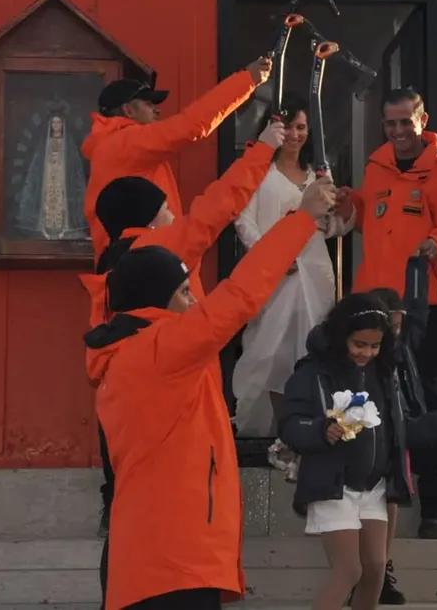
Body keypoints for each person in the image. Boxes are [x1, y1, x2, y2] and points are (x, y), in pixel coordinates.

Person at [86, 177, 337, 610]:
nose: (194, 303)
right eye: (184, 293)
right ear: (155, 301)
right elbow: (239, 295)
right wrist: (301, 219)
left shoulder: (131, 353)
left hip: (158, 556)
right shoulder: (161, 349)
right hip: (172, 561)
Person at [80, 117, 284, 592]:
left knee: (127, 505)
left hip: (121, 408)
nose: (176, 214)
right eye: (167, 208)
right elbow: (222, 203)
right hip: (176, 400)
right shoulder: (162, 249)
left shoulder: (109, 265)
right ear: (152, 217)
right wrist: (264, 149)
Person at [338, 87, 437, 539]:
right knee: (366, 395)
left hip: (426, 305)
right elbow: (367, 217)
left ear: (423, 119)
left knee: (428, 401)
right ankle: (363, 494)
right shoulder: (376, 168)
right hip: (375, 304)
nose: (398, 132)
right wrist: (348, 204)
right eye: (391, 123)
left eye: (406, 122)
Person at [278, 293, 437, 610]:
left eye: (374, 345)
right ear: (341, 337)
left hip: (376, 486)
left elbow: (401, 429)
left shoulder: (386, 374)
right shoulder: (312, 373)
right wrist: (321, 430)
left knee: (375, 569)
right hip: (332, 484)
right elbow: (290, 423)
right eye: (358, 344)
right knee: (349, 569)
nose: (366, 352)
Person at [232, 98, 356, 437]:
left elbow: (331, 227)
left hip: (314, 273)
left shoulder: (320, 173)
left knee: (311, 348)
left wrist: (344, 210)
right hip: (273, 277)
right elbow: (243, 221)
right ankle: (274, 434)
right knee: (270, 354)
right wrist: (268, 257)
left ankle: (306, 432)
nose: (294, 134)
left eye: (301, 127)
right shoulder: (258, 170)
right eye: (288, 126)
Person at [82, 57, 272, 264]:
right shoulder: (126, 142)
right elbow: (191, 125)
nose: (157, 109)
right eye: (148, 103)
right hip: (151, 266)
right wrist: (247, 80)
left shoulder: (113, 146)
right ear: (129, 110)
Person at [367, 273, 430, 606]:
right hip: (365, 438)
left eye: (397, 324)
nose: (395, 332)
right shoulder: (359, 353)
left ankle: (382, 567)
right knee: (367, 504)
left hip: (396, 434)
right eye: (389, 325)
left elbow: (411, 391)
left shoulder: (402, 352)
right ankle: (366, 571)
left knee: (390, 502)